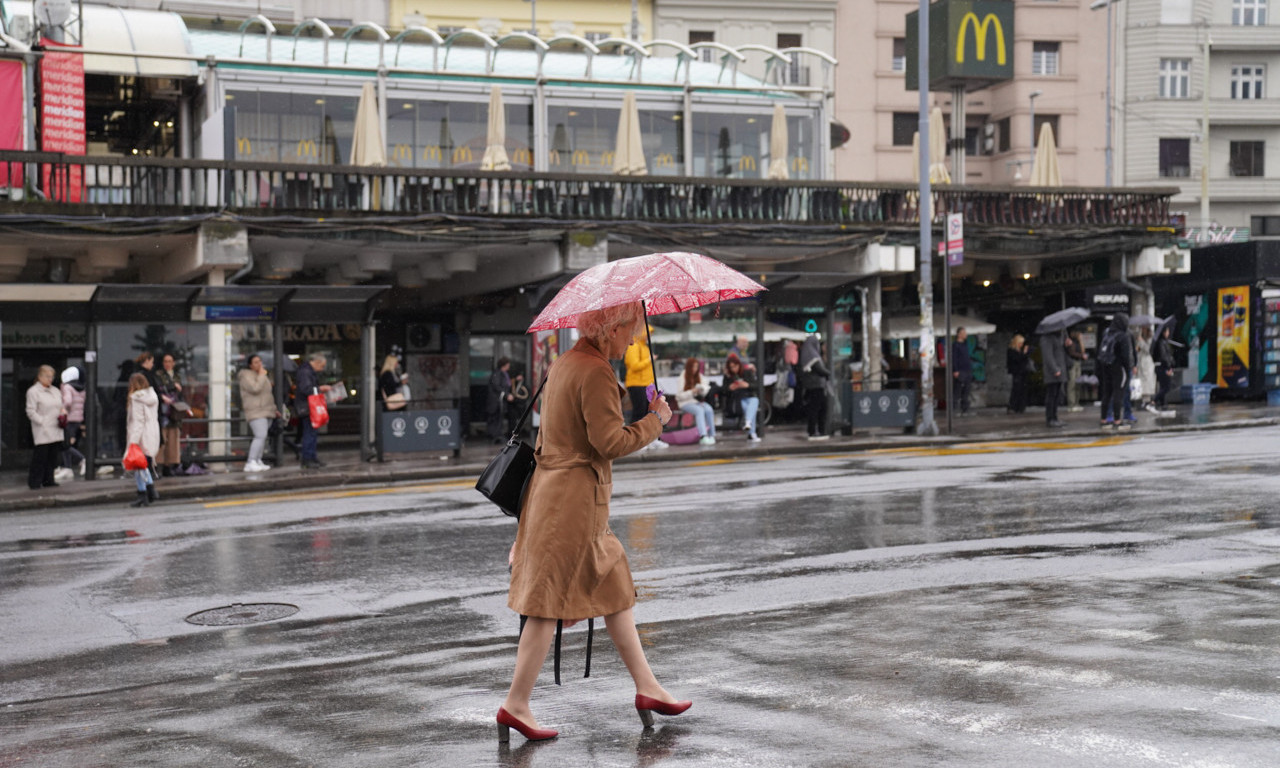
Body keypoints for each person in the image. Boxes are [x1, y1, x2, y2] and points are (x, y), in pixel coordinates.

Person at [499, 301, 687, 743]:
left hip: (555, 496)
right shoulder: (597, 371)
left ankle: (647, 687)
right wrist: (656, 421)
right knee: (547, 602)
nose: (634, 339)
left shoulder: (565, 363)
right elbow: (609, 442)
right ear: (611, 329)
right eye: (631, 330)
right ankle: (516, 704)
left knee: (614, 585)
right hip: (573, 503)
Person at [623, 330, 666, 450]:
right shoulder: (634, 346)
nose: (649, 337)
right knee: (639, 413)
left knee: (650, 413)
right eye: (648, 334)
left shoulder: (644, 347)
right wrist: (649, 360)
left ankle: (651, 439)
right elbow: (634, 365)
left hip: (647, 384)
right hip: (637, 384)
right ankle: (637, 441)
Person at [25, 365, 65, 490]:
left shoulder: (55, 390)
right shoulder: (33, 391)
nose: (50, 379)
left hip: (56, 427)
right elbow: (30, 411)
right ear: (40, 376)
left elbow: (60, 404)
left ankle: (48, 479)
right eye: (47, 376)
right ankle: (35, 481)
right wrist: (41, 421)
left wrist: (63, 413)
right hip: (43, 429)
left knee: (52, 456)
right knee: (40, 457)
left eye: (52, 377)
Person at [125, 372, 159, 506]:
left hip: (140, 434)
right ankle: (147, 492)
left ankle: (146, 491)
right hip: (151, 432)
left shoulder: (136, 398)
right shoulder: (152, 395)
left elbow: (138, 421)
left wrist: (133, 440)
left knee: (138, 464)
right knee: (141, 464)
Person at [238, 354, 277, 472]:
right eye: (255, 362)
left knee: (263, 437)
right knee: (260, 435)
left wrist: (274, 409)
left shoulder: (262, 375)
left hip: (266, 410)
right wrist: (261, 376)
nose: (259, 364)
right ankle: (251, 461)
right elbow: (255, 389)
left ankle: (258, 459)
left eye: (260, 361)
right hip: (255, 410)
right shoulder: (245, 375)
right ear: (250, 365)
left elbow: (267, 394)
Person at [1098, 313, 1135, 430]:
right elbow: (1125, 356)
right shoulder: (1122, 336)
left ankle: (1104, 420)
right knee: (1118, 393)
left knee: (1107, 393)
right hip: (1119, 368)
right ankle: (1117, 420)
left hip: (1106, 366)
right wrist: (1128, 367)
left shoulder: (1107, 333)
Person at [295, 352, 331, 468]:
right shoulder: (305, 372)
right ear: (317, 362)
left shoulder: (307, 371)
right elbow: (306, 389)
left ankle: (311, 457)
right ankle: (308, 459)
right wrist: (320, 389)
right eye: (322, 365)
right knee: (310, 433)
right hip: (308, 407)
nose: (322, 368)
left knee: (312, 433)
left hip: (309, 406)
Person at [155, 353, 184, 476]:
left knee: (173, 439)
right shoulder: (159, 375)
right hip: (163, 411)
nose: (167, 364)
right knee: (162, 438)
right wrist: (173, 386)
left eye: (170, 361)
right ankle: (159, 464)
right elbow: (159, 389)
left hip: (174, 411)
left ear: (173, 363)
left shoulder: (177, 375)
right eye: (165, 361)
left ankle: (169, 464)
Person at [675, 357, 716, 445]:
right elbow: (679, 396)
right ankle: (703, 436)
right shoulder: (683, 376)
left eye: (696, 367)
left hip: (697, 402)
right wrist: (692, 392)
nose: (695, 369)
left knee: (709, 409)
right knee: (700, 411)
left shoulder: (699, 376)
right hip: (685, 403)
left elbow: (704, 389)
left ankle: (712, 435)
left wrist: (702, 390)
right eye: (693, 367)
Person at [723, 353, 761, 442]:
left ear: (739, 365)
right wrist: (730, 388)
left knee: (755, 400)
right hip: (736, 399)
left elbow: (756, 386)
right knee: (751, 409)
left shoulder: (747, 372)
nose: (733, 369)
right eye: (731, 367)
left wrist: (746, 385)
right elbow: (724, 390)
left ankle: (748, 423)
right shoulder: (728, 376)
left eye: (735, 366)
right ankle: (751, 433)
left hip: (748, 396)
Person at [798, 335, 830, 439]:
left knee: (819, 408)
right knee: (817, 408)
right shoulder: (811, 355)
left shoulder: (808, 354)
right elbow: (820, 369)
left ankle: (820, 430)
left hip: (814, 386)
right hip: (816, 386)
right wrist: (829, 373)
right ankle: (814, 430)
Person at [60, 365, 87, 478]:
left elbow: (68, 401)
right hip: (78, 419)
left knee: (64, 444)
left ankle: (82, 459)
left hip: (68, 418)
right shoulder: (82, 388)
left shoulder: (67, 387)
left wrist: (62, 408)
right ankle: (67, 467)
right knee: (68, 443)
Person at [1040, 329, 1067, 428]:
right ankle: (1050, 418)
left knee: (1056, 395)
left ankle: (1055, 417)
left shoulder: (1058, 337)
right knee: (1051, 395)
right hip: (1053, 372)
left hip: (1059, 370)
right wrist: (1055, 369)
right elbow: (1048, 356)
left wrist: (1066, 343)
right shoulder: (1046, 338)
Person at [487, 357, 515, 443]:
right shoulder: (498, 374)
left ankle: (498, 435)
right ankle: (495, 436)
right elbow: (496, 386)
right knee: (495, 419)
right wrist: (506, 395)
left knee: (499, 418)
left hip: (500, 401)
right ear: (504, 365)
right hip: (496, 401)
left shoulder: (504, 374)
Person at [1153, 325, 1176, 411]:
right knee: (1167, 386)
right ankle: (1155, 400)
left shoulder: (1165, 342)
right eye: (1167, 331)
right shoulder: (1161, 343)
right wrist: (1169, 365)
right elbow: (1164, 356)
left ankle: (1163, 404)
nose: (1168, 333)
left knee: (1163, 386)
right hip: (1163, 367)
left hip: (1163, 366)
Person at [1006, 335, 1031, 414]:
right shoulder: (1011, 351)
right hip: (1016, 372)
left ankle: (1020, 407)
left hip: (1022, 372)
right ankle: (1013, 406)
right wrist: (1024, 354)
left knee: (1023, 390)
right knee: (1016, 389)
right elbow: (1017, 359)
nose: (1021, 345)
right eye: (1020, 343)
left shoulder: (1020, 351)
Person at [951, 327, 973, 416]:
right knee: (957, 390)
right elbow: (954, 358)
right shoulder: (955, 345)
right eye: (964, 333)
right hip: (960, 371)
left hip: (967, 370)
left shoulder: (965, 344)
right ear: (959, 334)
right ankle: (954, 409)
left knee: (966, 390)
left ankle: (965, 409)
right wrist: (955, 370)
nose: (966, 334)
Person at [1065, 330, 1087, 412]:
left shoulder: (1078, 342)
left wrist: (1081, 342)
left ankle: (1076, 403)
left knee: (1078, 383)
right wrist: (1081, 355)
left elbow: (1082, 351)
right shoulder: (1071, 342)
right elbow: (1072, 353)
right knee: (1072, 383)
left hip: (1078, 362)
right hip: (1073, 363)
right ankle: (1071, 404)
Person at [1136, 325, 1157, 411]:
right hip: (1141, 363)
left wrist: (1141, 342)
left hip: (1147, 363)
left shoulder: (1151, 339)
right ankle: (1143, 401)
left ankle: (1147, 401)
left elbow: (1148, 349)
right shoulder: (1142, 338)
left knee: (1147, 382)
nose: (1143, 330)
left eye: (1144, 329)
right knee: (1142, 382)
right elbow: (1139, 349)